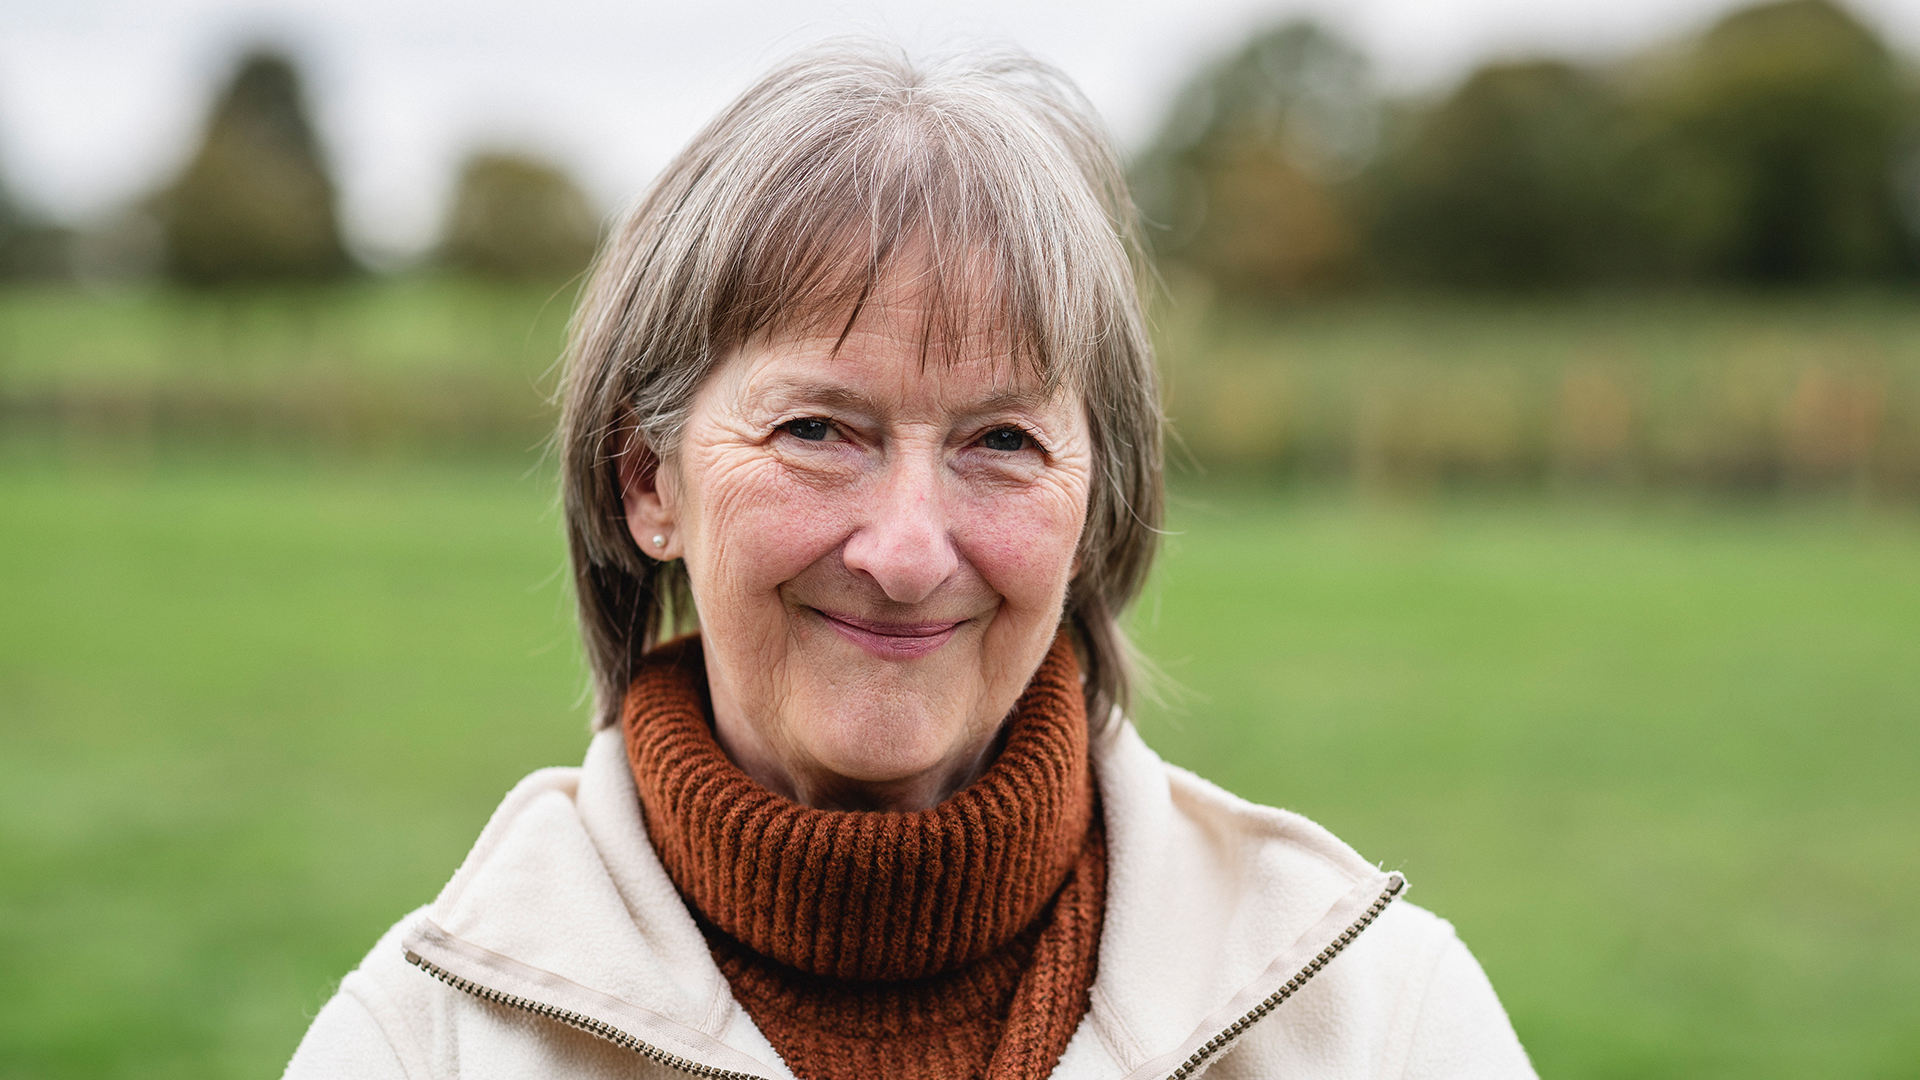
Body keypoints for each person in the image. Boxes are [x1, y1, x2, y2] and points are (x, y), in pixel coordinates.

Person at [284, 42, 1535, 1080]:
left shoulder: (1374, 1020)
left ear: (1097, 502)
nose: (904, 552)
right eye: (818, 430)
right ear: (648, 482)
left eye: (1001, 440)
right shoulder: (422, 1043)